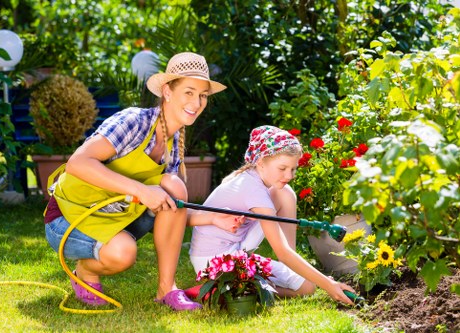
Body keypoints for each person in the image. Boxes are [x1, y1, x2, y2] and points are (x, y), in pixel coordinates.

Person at [43, 52, 229, 311]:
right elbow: (78, 163)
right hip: (70, 217)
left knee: (175, 187)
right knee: (123, 253)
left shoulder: (174, 146)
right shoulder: (134, 122)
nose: (196, 102)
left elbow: (172, 210)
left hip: (114, 214)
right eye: (189, 92)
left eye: (203, 95)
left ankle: (167, 289)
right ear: (167, 91)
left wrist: (214, 218)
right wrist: (141, 190)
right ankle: (85, 270)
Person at [186, 125, 355, 305]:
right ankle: (223, 291)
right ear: (260, 162)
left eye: (293, 169)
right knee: (306, 284)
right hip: (212, 260)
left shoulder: (259, 181)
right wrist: (329, 284)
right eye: (282, 168)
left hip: (235, 247)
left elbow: (284, 251)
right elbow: (282, 252)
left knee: (307, 286)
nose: (289, 175)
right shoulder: (253, 189)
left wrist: (294, 264)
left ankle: (249, 286)